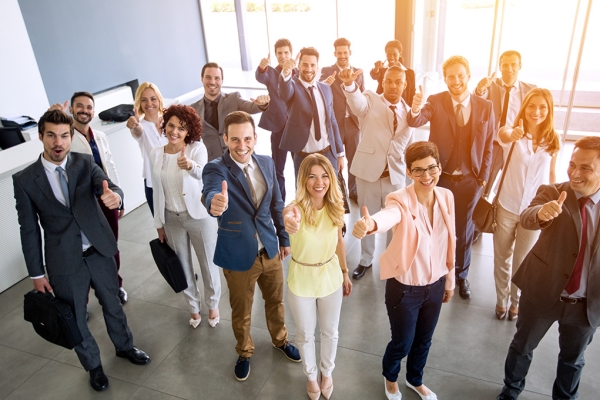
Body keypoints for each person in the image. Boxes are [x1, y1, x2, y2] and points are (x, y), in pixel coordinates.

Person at [13, 109, 150, 392]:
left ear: (71, 136)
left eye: (64, 135)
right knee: (75, 317)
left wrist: (116, 197)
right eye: (51, 135)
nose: (58, 142)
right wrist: (36, 273)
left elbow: (111, 187)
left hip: (99, 251)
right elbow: (28, 230)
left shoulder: (85, 164)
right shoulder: (26, 180)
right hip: (64, 261)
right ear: (41, 137)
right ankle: (94, 367)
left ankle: (125, 347)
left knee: (113, 305)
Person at [497, 136, 600, 400]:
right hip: (542, 292)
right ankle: (511, 390)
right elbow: (527, 217)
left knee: (573, 360)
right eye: (572, 164)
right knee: (522, 347)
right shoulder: (553, 192)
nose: (575, 173)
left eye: (586, 167)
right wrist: (542, 213)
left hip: (586, 304)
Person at [202, 111, 300, 382]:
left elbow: (277, 204)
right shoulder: (216, 168)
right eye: (235, 139)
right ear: (225, 139)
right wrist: (214, 203)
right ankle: (244, 351)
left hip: (269, 248)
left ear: (255, 138)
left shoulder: (267, 163)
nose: (241, 145)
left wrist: (284, 239)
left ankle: (280, 340)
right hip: (237, 252)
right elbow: (210, 191)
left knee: (276, 302)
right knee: (242, 310)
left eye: (247, 138)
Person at [353, 141, 455, 400]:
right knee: (402, 342)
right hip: (405, 289)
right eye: (418, 170)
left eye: (431, 168)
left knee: (424, 341)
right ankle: (390, 378)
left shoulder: (446, 197)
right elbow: (389, 216)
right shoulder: (399, 199)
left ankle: (415, 379)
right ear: (409, 172)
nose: (426, 176)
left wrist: (449, 280)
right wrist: (371, 224)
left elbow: (449, 242)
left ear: (439, 168)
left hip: (435, 286)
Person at [408, 55, 494, 299]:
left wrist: (483, 178)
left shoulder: (485, 106)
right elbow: (414, 119)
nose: (455, 80)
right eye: (450, 77)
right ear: (444, 79)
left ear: (468, 75)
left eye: (460, 75)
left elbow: (489, 145)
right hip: (439, 179)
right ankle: (435, 271)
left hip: (470, 180)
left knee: (464, 233)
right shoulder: (436, 101)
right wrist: (415, 105)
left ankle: (461, 276)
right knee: (436, 227)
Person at [282, 154, 353, 400]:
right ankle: (311, 376)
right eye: (312, 176)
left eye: (324, 176)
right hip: (301, 279)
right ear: (304, 179)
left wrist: (345, 272)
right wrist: (290, 223)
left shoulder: (335, 206)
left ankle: (327, 371)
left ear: (331, 179)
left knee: (330, 331)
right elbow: (289, 219)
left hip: (330, 276)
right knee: (304, 334)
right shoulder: (294, 208)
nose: (319, 182)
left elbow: (339, 241)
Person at [49, 92, 128, 303]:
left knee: (111, 245)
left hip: (105, 200)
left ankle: (115, 286)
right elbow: (52, 155)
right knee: (84, 251)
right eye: (80, 106)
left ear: (93, 111)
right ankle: (83, 297)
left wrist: (119, 197)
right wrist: (53, 121)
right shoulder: (65, 138)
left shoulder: (100, 136)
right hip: (81, 205)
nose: (85, 110)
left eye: (89, 107)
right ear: (72, 110)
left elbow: (110, 166)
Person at [339, 66, 414, 280]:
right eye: (388, 81)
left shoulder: (410, 112)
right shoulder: (370, 99)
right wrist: (350, 85)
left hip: (395, 175)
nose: (392, 85)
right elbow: (357, 104)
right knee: (367, 217)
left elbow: (410, 145)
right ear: (383, 82)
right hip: (368, 173)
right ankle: (365, 259)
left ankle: (390, 259)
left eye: (397, 82)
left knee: (393, 221)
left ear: (404, 84)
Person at [149, 104, 221, 328]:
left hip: (199, 216)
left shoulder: (196, 149)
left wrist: (189, 166)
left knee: (208, 264)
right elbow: (156, 190)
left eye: (181, 128)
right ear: (164, 125)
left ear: (189, 130)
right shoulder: (155, 153)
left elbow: (203, 172)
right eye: (171, 125)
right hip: (171, 218)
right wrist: (158, 223)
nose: (175, 131)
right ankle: (193, 307)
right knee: (182, 266)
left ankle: (213, 304)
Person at [492, 88, 559, 321]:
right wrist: (513, 134)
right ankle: (501, 301)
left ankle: (516, 302)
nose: (536, 112)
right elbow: (503, 134)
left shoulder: (552, 140)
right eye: (532, 106)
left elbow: (551, 174)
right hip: (507, 207)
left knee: (523, 262)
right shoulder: (514, 134)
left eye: (542, 107)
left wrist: (554, 202)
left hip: (533, 212)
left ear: (549, 110)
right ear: (524, 107)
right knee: (502, 257)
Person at [475, 50, 537, 201]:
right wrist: (480, 89)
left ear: (520, 66)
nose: (509, 69)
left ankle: (499, 213)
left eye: (513, 65)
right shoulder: (491, 86)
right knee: (486, 182)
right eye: (505, 65)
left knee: (512, 183)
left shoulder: (530, 89)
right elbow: (478, 101)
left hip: (516, 144)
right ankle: (480, 217)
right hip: (495, 143)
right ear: (500, 67)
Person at [278, 47, 344, 176]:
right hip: (304, 156)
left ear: (317, 67)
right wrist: (286, 72)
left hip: (328, 154)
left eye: (312, 65)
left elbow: (332, 121)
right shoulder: (293, 87)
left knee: (331, 194)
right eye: (305, 65)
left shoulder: (325, 88)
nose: (309, 69)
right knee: (305, 195)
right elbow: (285, 93)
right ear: (298, 66)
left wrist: (340, 153)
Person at [191, 62, 270, 161]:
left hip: (238, 156)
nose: (212, 82)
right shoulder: (193, 110)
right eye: (208, 77)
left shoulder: (233, 98)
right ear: (201, 78)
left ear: (222, 80)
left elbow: (251, 107)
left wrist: (262, 104)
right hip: (213, 162)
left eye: (217, 78)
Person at [320, 37, 365, 202]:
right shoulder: (327, 71)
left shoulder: (358, 72)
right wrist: (326, 82)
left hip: (353, 123)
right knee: (335, 160)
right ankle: (338, 192)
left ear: (350, 52)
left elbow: (363, 96)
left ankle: (353, 190)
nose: (342, 55)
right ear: (335, 54)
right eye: (339, 53)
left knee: (354, 159)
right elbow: (320, 86)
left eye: (345, 52)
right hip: (335, 124)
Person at [255, 38, 296, 201]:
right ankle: (280, 202)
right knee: (278, 169)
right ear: (276, 54)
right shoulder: (271, 72)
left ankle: (302, 202)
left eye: (286, 52)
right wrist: (262, 66)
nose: (283, 56)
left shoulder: (298, 72)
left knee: (300, 168)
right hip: (278, 128)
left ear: (291, 54)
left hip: (296, 128)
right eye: (280, 53)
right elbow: (261, 77)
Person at [126, 82, 168, 216]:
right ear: (139, 103)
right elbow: (138, 132)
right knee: (161, 227)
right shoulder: (141, 126)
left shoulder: (170, 123)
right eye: (144, 100)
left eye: (153, 99)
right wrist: (135, 124)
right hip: (153, 184)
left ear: (159, 100)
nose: (149, 103)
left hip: (174, 179)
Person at [370, 40, 417, 107]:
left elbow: (412, 94)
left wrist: (410, 112)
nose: (391, 57)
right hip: (383, 107)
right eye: (388, 55)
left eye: (394, 54)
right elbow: (374, 75)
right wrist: (376, 68)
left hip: (402, 110)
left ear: (400, 54)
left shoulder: (410, 73)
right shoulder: (383, 70)